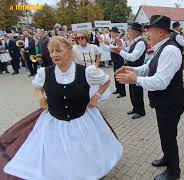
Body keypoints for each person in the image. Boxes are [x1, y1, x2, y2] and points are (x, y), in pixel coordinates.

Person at [2, 36, 123, 179]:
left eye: (58, 50)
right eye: (51, 51)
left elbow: (106, 81)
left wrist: (96, 97)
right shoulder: (44, 72)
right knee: (56, 154)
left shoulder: (87, 71)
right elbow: (37, 86)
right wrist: (40, 97)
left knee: (83, 153)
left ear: (70, 51)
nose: (54, 54)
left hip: (82, 121)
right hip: (54, 122)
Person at [115, 15, 184, 180]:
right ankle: (167, 158)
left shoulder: (170, 50)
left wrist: (135, 80)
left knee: (168, 137)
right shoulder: (161, 47)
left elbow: (161, 82)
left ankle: (173, 173)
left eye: (149, 32)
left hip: (170, 103)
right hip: (164, 102)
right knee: (165, 134)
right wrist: (133, 69)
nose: (147, 35)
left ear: (160, 32)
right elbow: (149, 66)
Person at [112, 22, 146, 119]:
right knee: (132, 90)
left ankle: (140, 111)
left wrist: (120, 51)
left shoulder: (140, 42)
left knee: (137, 90)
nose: (129, 32)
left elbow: (133, 57)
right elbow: (128, 50)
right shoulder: (135, 41)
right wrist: (120, 48)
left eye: (130, 30)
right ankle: (135, 108)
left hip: (136, 68)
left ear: (136, 32)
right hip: (132, 68)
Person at [110, 27, 126, 98]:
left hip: (119, 59)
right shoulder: (112, 40)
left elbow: (117, 48)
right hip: (115, 60)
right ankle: (118, 89)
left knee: (120, 75)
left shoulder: (120, 40)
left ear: (116, 33)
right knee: (115, 75)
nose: (111, 33)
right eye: (111, 32)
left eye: (113, 32)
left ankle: (122, 92)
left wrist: (109, 45)